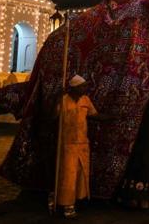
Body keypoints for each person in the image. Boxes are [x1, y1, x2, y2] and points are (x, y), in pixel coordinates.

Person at [52, 75, 100, 218]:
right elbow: (53, 117)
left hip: (82, 144)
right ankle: (67, 205)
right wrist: (56, 100)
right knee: (68, 176)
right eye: (83, 86)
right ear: (74, 87)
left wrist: (111, 117)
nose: (85, 88)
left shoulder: (85, 100)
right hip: (68, 144)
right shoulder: (63, 100)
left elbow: (93, 115)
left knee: (81, 174)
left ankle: (79, 201)